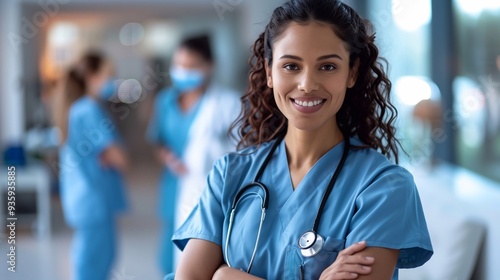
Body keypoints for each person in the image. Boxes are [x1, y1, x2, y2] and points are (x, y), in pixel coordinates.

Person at [168, 0, 433, 279]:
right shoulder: (229, 174)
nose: (307, 84)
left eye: (328, 67)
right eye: (292, 66)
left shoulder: (384, 187)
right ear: (270, 72)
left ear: (351, 73)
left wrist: (224, 276)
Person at [147, 34, 241, 274]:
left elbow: (243, 148)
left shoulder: (226, 103)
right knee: (170, 256)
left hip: (211, 186)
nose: (183, 72)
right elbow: (158, 140)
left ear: (209, 66)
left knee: (205, 254)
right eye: (179, 65)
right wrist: (168, 158)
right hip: (175, 185)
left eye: (191, 66)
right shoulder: (166, 100)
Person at [56, 51, 129, 280]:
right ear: (92, 76)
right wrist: (114, 154)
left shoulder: (78, 108)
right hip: (93, 199)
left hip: (86, 198)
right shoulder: (88, 109)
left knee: (95, 258)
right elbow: (120, 158)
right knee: (94, 264)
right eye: (108, 74)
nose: (112, 80)